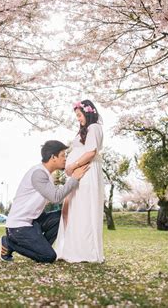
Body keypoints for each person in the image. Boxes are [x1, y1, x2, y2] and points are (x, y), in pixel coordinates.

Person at [0, 140, 89, 263]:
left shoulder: (47, 175)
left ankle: (40, 249)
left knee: (60, 217)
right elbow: (56, 197)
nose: (65, 159)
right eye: (63, 155)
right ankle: (9, 243)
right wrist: (74, 179)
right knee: (49, 257)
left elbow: (56, 197)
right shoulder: (38, 173)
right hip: (18, 227)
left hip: (33, 222)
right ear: (53, 157)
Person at [54, 99, 105, 263]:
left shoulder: (94, 127)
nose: (78, 118)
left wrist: (73, 166)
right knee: (71, 208)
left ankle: (84, 250)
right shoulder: (86, 129)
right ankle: (69, 247)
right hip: (78, 173)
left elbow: (91, 152)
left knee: (83, 209)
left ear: (87, 113)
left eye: (79, 115)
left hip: (86, 172)